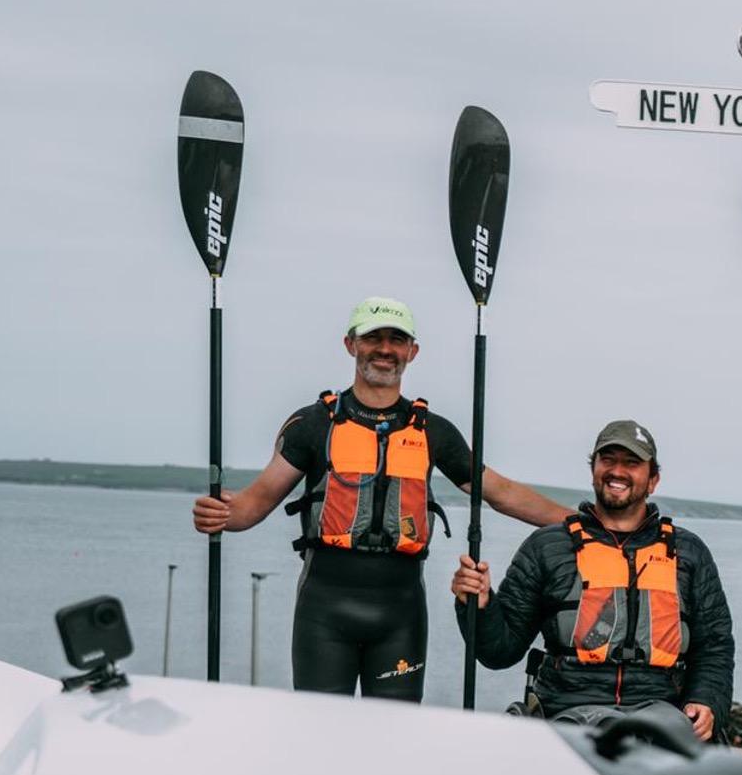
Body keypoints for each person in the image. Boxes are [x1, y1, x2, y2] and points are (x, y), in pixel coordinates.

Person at [191, 296, 569, 701]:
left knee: (396, 740)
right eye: (373, 338)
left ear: (412, 352)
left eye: (396, 340)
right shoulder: (313, 425)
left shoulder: (433, 432)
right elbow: (255, 503)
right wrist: (220, 516)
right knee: (321, 731)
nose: (385, 349)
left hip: (401, 616)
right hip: (323, 613)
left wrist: (580, 521)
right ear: (350, 344)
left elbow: (501, 493)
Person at [448, 420, 733, 741]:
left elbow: (715, 646)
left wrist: (707, 700)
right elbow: (498, 651)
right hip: (568, 707)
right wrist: (480, 604)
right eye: (607, 460)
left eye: (632, 463)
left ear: (653, 480)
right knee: (608, 738)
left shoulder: (688, 552)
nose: (617, 471)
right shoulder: (547, 548)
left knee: (659, 741)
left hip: (661, 707)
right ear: (594, 469)